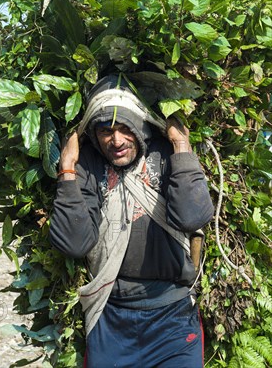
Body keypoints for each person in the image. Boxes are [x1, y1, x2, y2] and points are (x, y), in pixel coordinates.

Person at [49, 75, 214, 368]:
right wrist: (67, 169)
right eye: (106, 131)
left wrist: (180, 144)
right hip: (111, 319)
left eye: (125, 127)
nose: (117, 140)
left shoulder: (165, 153)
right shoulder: (88, 163)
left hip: (173, 319)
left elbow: (192, 217)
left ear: (140, 125)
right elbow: (74, 243)